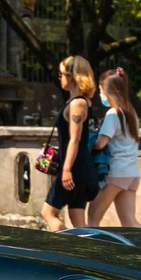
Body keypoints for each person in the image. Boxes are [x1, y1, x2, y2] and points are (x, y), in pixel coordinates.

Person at [40, 55, 98, 231]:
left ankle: (63, 251)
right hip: (79, 167)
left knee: (48, 213)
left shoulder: (77, 104)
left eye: (62, 74)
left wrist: (66, 170)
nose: (60, 78)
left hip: (73, 168)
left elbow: (75, 138)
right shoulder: (78, 102)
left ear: (73, 76)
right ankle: (90, 253)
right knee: (77, 219)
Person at [88, 68, 141, 226]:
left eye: (101, 90)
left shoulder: (113, 114)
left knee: (92, 219)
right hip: (131, 173)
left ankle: (92, 250)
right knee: (130, 223)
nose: (100, 95)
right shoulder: (131, 113)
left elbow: (100, 144)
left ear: (108, 90)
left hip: (115, 172)